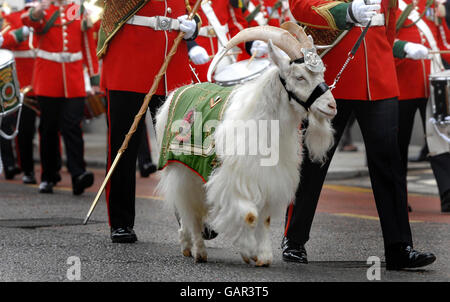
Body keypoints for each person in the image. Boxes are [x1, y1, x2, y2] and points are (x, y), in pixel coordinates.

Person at [282, 0, 436, 270]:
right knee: (314, 161)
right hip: (332, 75)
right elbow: (300, 6)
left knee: (389, 165)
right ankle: (293, 240)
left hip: (379, 74)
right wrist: (346, 12)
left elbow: (388, 21)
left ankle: (399, 247)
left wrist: (387, 55)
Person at [98, 0, 200, 243]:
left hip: (171, 64)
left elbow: (194, 9)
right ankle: (121, 222)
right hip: (129, 62)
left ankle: (192, 218)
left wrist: (193, 27)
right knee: (124, 145)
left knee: (181, 147)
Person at [22, 0, 99, 195]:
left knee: (73, 126)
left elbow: (87, 44)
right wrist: (39, 10)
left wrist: (94, 77)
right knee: (48, 128)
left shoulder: (76, 9)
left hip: (73, 80)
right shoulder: (43, 8)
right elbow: (30, 23)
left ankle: (78, 174)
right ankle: (49, 176)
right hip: (47, 78)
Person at [394, 0, 450, 212]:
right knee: (398, 146)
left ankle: (447, 193)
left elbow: (441, 42)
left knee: (441, 138)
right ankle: (398, 198)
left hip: (432, 83)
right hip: (402, 86)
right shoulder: (390, 5)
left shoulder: (430, 4)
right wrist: (405, 52)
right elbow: (383, 42)